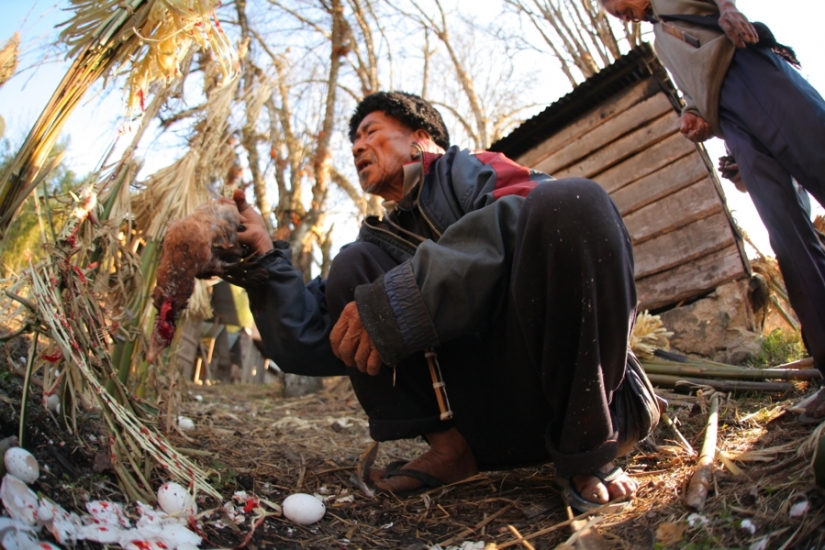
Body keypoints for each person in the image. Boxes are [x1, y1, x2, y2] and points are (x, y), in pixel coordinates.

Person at [230, 91, 655, 511]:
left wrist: (406, 298)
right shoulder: (375, 243)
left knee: (574, 198)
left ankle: (587, 450)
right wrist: (264, 259)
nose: (357, 146)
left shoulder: (473, 169)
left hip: (559, 397)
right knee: (352, 267)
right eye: (353, 141)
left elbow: (529, 212)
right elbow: (309, 338)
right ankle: (450, 450)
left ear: (422, 137)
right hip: (486, 427)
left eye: (370, 131)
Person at [600, 0, 825, 422]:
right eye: (612, 13)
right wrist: (694, 114)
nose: (619, 13)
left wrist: (727, 7)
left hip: (752, 74)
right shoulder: (660, 42)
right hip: (733, 122)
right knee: (788, 240)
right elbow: (698, 89)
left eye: (617, 4)